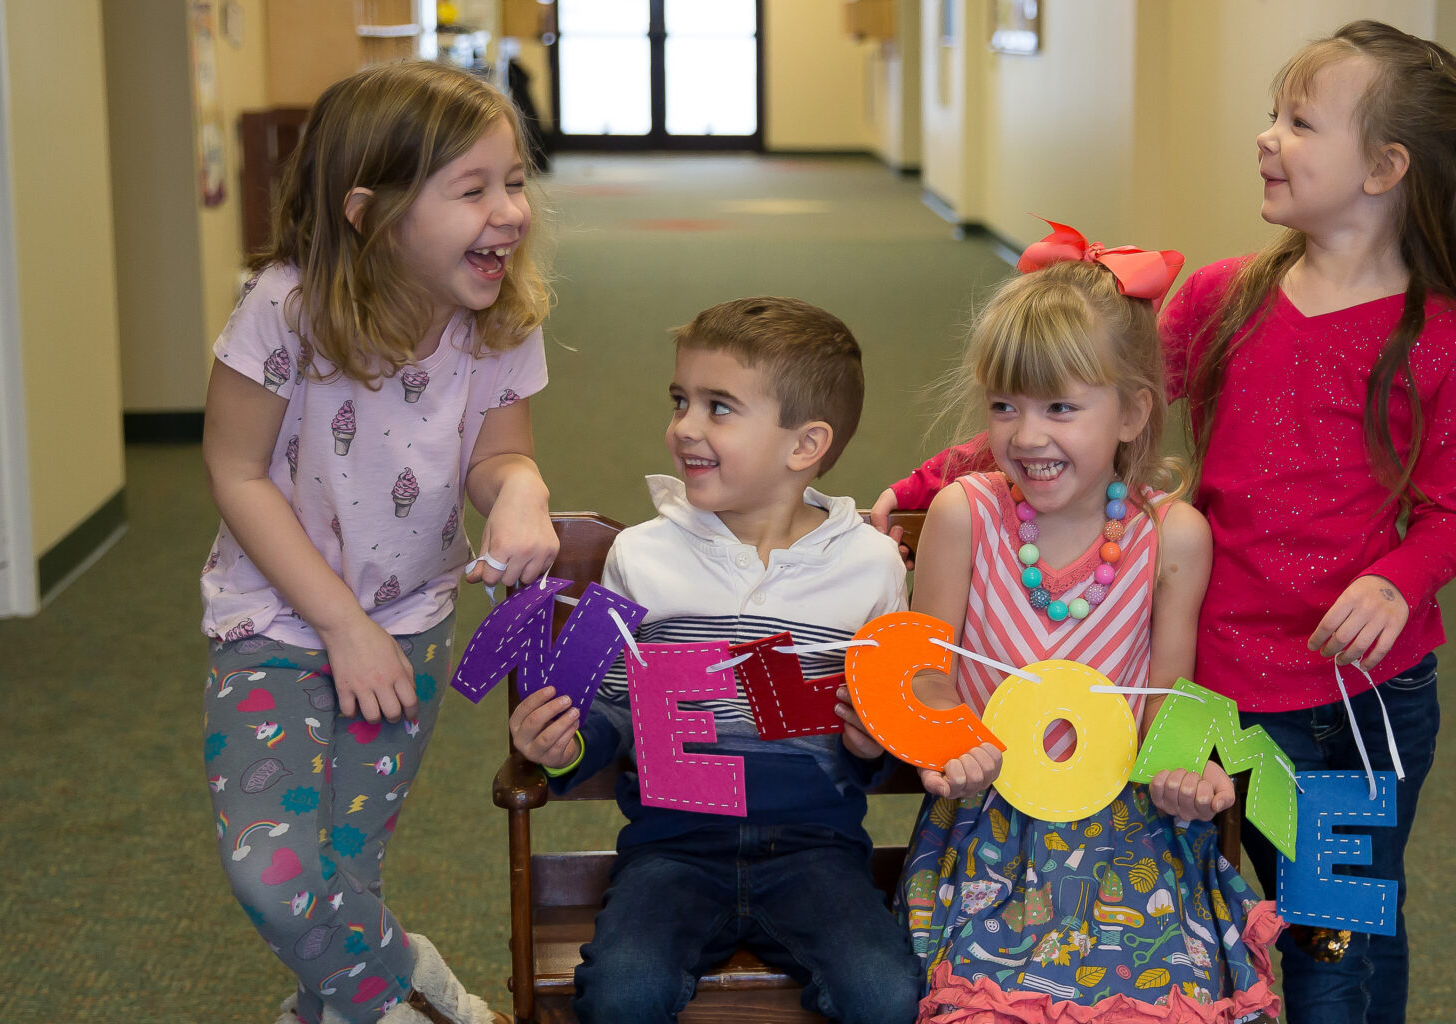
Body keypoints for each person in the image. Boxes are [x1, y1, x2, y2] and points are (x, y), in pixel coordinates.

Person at [872, 21, 1456, 1023]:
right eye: (1271, 114)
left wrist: (1397, 579)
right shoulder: (1221, 296)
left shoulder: (1442, 338)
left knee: (1337, 929)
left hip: (1355, 707)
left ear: (1385, 166)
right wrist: (919, 487)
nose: (1266, 137)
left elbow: (1446, 511)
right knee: (1216, 913)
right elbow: (1086, 420)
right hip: (1204, 693)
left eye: (1299, 121)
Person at [201, 60, 559, 1024]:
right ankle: (399, 986)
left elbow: (499, 457)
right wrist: (341, 624)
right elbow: (235, 472)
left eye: (516, 181)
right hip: (275, 621)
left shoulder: (499, 319)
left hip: (411, 621)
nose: (511, 212)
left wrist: (521, 491)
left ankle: (347, 1001)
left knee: (344, 874)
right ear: (369, 211)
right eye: (473, 189)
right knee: (277, 876)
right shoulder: (284, 309)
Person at [843, 240, 1283, 1021]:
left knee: (1159, 999)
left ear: (1134, 411)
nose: (1027, 436)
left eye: (1060, 408)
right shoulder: (964, 516)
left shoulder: (1171, 536)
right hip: (990, 827)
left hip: (1133, 835)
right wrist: (950, 743)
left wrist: (1192, 778)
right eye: (1005, 406)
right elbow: (932, 674)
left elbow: (1167, 707)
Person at [509, 297, 920, 1024]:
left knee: (885, 995)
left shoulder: (873, 566)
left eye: (718, 407)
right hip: (672, 851)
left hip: (817, 849)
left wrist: (870, 745)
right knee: (622, 994)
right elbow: (606, 702)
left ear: (805, 445)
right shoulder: (640, 554)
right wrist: (566, 744)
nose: (684, 429)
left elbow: (881, 736)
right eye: (680, 401)